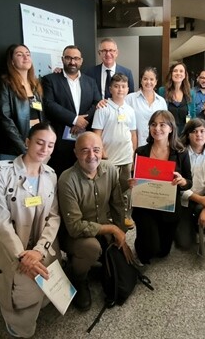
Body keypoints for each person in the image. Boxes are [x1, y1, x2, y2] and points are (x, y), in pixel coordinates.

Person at [0, 122, 61, 338]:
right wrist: (22, 256)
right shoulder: (1, 174)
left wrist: (39, 251)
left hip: (39, 248)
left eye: (50, 145)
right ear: (27, 142)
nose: (44, 150)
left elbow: (54, 217)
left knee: (44, 287)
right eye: (39, 142)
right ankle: (15, 315)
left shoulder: (51, 174)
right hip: (12, 249)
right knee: (25, 324)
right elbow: (1, 221)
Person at [58, 132, 132, 311]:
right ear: (75, 153)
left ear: (103, 151)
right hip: (74, 234)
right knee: (91, 248)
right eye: (84, 151)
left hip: (102, 224)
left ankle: (96, 262)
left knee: (121, 263)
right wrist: (112, 230)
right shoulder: (67, 180)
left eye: (96, 150)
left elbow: (117, 206)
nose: (91, 156)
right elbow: (75, 227)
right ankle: (79, 278)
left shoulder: (110, 170)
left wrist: (121, 233)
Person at [131, 110, 192, 263]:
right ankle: (142, 243)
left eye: (162, 124)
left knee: (163, 252)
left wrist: (182, 181)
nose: (157, 128)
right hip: (145, 207)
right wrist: (132, 182)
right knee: (148, 252)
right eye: (153, 124)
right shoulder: (141, 152)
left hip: (168, 207)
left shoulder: (181, 153)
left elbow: (189, 181)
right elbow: (134, 177)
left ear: (171, 128)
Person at [42, 45, 101, 176]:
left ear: (81, 60)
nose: (72, 62)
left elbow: (97, 102)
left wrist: (82, 121)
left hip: (85, 139)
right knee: (61, 175)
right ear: (63, 59)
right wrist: (74, 120)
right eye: (68, 58)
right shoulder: (50, 80)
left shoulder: (90, 82)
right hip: (61, 142)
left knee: (85, 175)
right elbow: (49, 104)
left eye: (76, 58)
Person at [92, 73, 137, 228]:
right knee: (107, 189)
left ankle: (122, 215)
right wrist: (101, 153)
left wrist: (134, 153)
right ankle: (106, 215)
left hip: (126, 156)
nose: (120, 89)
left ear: (128, 89)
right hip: (109, 158)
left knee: (124, 188)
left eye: (123, 86)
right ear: (110, 88)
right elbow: (96, 133)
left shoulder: (130, 110)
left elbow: (133, 133)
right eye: (116, 86)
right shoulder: (103, 108)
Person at [177, 118, 205, 250]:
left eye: (202, 131)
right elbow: (177, 186)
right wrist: (199, 199)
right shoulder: (180, 154)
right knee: (184, 244)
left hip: (204, 199)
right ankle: (189, 224)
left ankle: (199, 228)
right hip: (183, 200)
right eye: (194, 131)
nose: (199, 135)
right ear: (187, 135)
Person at [0, 44, 45, 159]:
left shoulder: (35, 84)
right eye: (20, 54)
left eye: (28, 54)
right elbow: (5, 119)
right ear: (12, 61)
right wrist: (23, 147)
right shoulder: (5, 83)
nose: (25, 57)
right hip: (14, 148)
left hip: (35, 144)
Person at [125, 67, 167, 147]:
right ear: (141, 80)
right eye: (145, 79)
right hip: (135, 145)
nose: (148, 82)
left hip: (157, 146)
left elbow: (165, 125)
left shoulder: (161, 101)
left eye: (151, 79)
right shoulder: (130, 99)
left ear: (156, 82)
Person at [157, 62, 195, 135]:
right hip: (167, 133)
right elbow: (160, 113)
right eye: (175, 71)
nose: (178, 73)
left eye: (181, 71)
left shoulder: (191, 93)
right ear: (171, 74)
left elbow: (193, 114)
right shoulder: (162, 91)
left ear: (185, 75)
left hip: (185, 133)